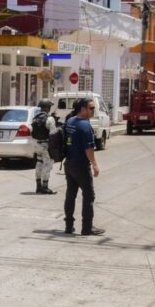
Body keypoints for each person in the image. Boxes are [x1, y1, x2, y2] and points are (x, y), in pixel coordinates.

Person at [62, 97, 103, 236]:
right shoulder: (85, 126)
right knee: (89, 196)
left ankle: (68, 226)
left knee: (70, 195)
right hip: (81, 165)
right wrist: (95, 165)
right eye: (91, 108)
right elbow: (89, 148)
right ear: (83, 109)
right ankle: (87, 227)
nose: (93, 110)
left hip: (69, 164)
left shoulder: (70, 121)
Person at [31, 98, 59, 194]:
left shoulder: (35, 118)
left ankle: (38, 186)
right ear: (48, 108)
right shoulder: (49, 119)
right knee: (47, 164)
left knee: (39, 163)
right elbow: (53, 134)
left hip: (36, 145)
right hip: (46, 146)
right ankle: (45, 187)